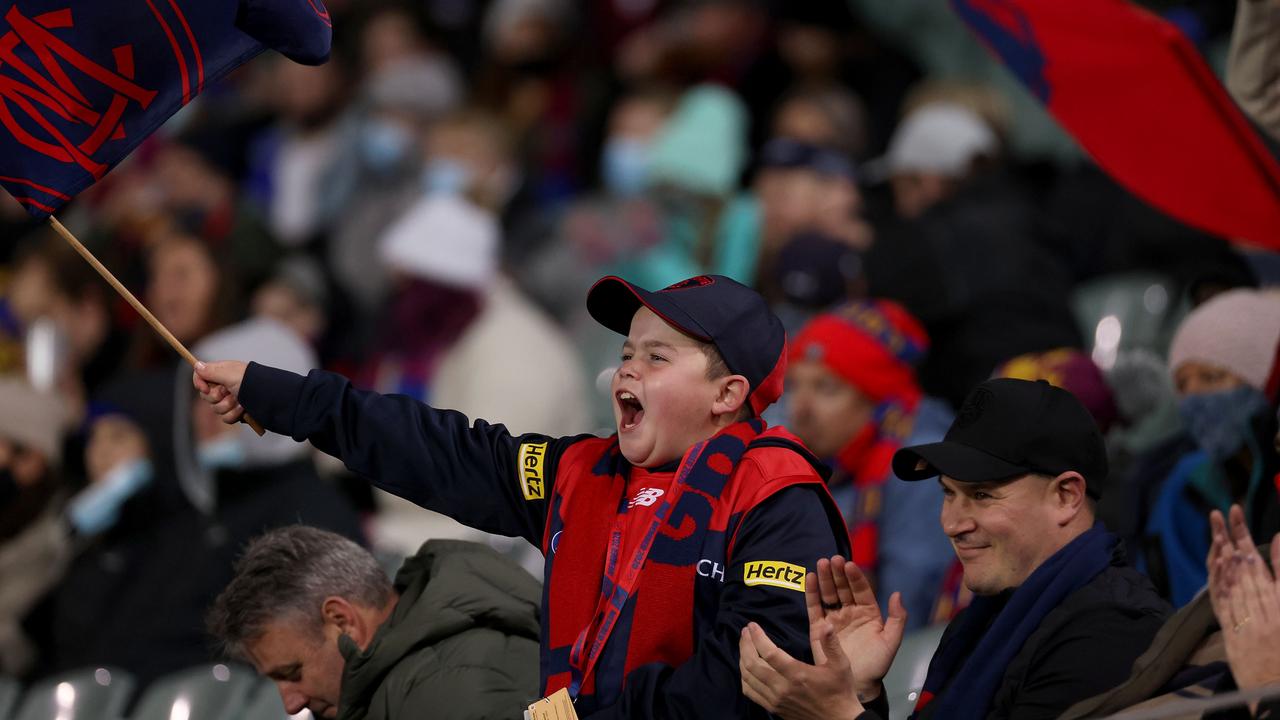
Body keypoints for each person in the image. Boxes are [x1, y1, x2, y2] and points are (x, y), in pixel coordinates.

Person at [193, 274, 850, 718]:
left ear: (728, 395)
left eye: (656, 358)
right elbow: (438, 448)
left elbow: (754, 684)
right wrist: (280, 395)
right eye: (626, 352)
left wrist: (587, 713)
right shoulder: (578, 474)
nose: (626, 368)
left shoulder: (778, 499)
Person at [740, 377, 1170, 720]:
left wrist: (839, 716)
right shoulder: (992, 614)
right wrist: (862, 690)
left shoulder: (1111, 632)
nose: (952, 523)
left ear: (1066, 497)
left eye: (982, 496)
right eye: (949, 494)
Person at [208, 526, 540, 720]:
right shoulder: (400, 686)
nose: (291, 703)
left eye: (292, 673)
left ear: (342, 621)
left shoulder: (445, 698)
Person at [785, 300, 954, 627]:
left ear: (876, 396)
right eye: (795, 385)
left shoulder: (917, 463)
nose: (801, 409)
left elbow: (908, 609)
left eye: (826, 388)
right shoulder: (833, 463)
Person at [1145, 288, 1280, 605]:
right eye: (1182, 384)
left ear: (1265, 377)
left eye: (1211, 376)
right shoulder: (1182, 488)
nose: (1194, 398)